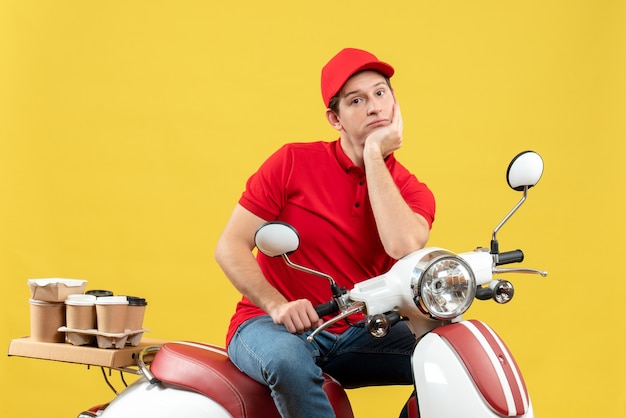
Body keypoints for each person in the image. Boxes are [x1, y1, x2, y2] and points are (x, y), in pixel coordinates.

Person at [214, 47, 436, 418]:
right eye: (357, 100)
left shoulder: (411, 190)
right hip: (270, 325)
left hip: (359, 330)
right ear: (335, 118)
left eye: (381, 93)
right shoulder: (291, 163)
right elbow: (230, 246)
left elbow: (401, 244)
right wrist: (277, 304)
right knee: (288, 361)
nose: (374, 107)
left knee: (450, 353)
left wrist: (372, 157)